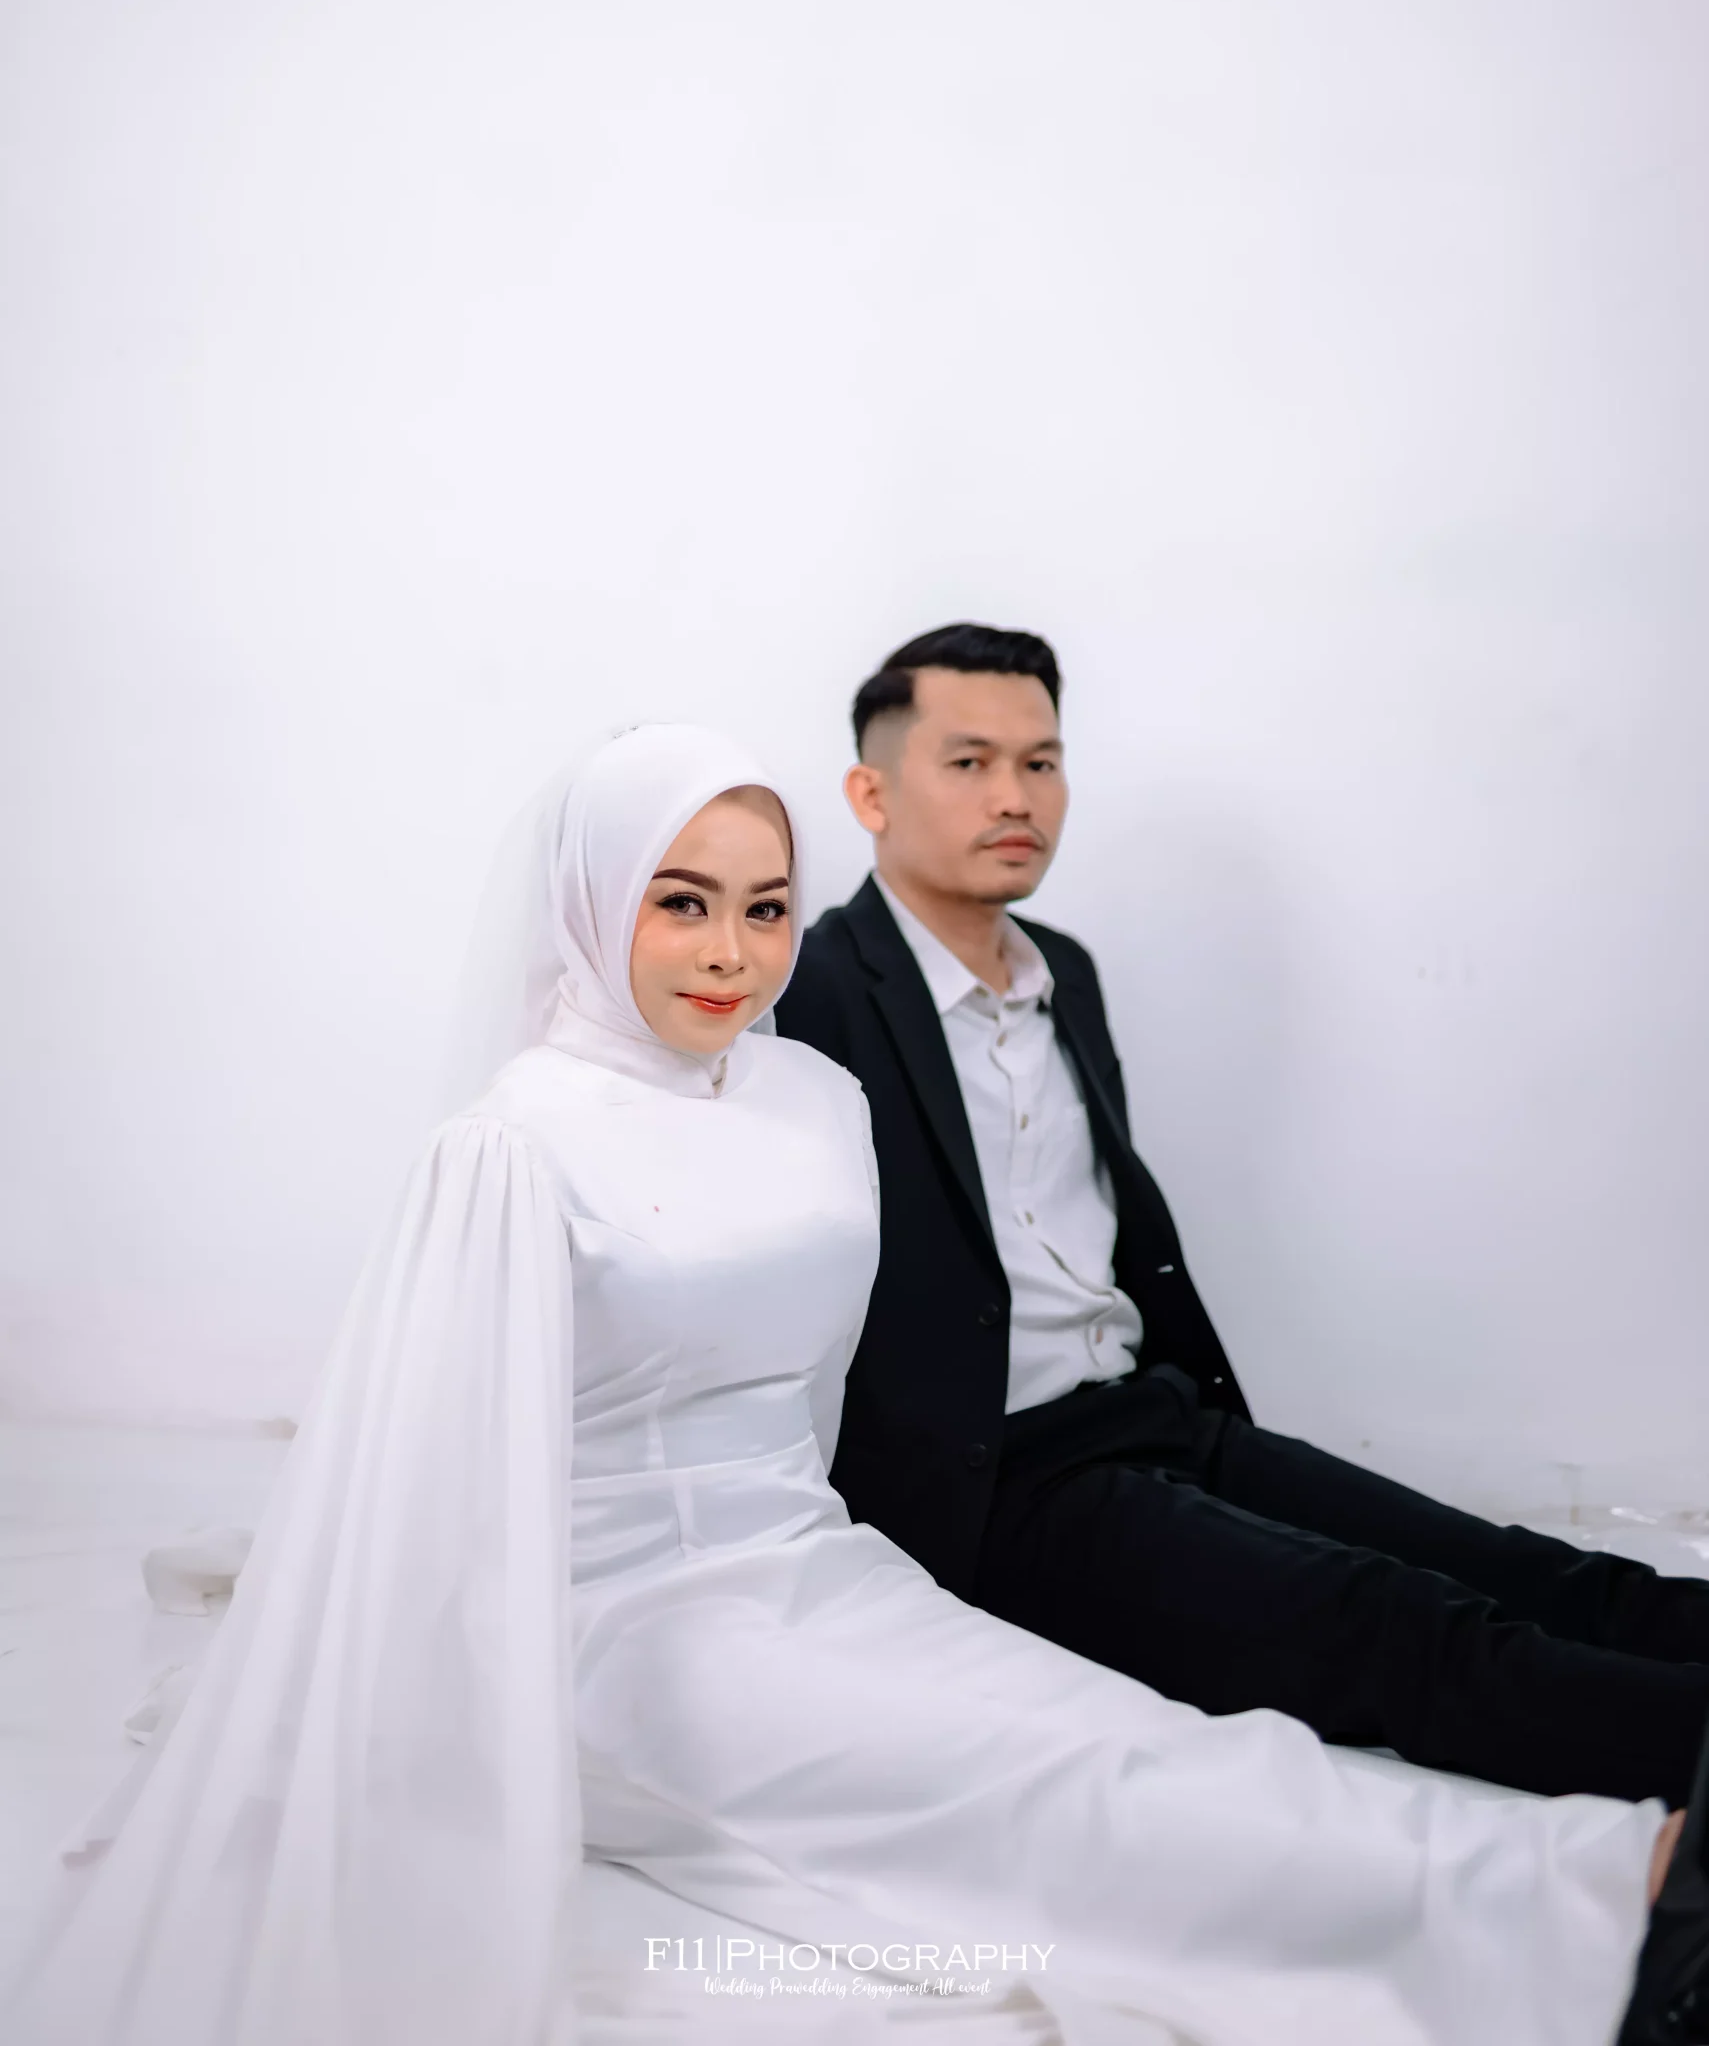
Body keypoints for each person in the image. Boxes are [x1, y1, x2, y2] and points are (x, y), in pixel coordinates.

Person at [8, 721, 1706, 2046]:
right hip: (615, 1634)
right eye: (679, 900)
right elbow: (436, 1469)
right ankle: (1591, 1902)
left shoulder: (812, 1105)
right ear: (593, 902)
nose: (729, 952)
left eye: (762, 906)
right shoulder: (512, 1146)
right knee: (1042, 1792)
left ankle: (1586, 1889)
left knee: (1119, 1733)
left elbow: (817, 1418)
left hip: (818, 1574)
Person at [772, 623, 1709, 1815]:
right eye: (968, 762)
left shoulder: (1062, 970)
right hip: (1000, 1476)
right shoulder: (808, 992)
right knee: (1401, 1627)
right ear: (870, 794)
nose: (1014, 796)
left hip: (1157, 1413)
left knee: (1521, 1565)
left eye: (1041, 761)